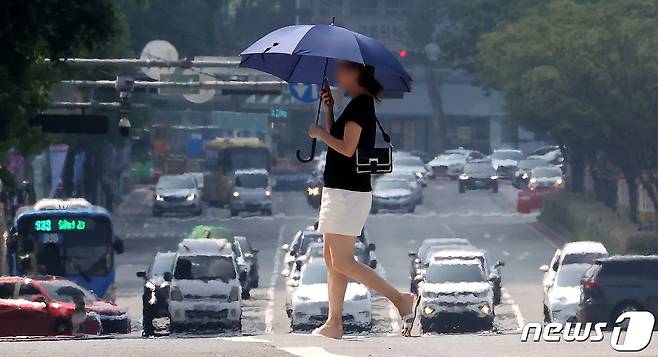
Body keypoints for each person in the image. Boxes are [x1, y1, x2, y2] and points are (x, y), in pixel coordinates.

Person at [307, 61, 417, 339]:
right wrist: (330, 111)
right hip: (338, 189)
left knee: (342, 261)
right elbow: (341, 139)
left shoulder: (361, 105)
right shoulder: (355, 104)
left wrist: (320, 134)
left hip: (348, 192)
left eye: (342, 69)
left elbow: (346, 148)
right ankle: (334, 324)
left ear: (357, 73)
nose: (337, 74)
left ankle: (400, 299)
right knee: (331, 260)